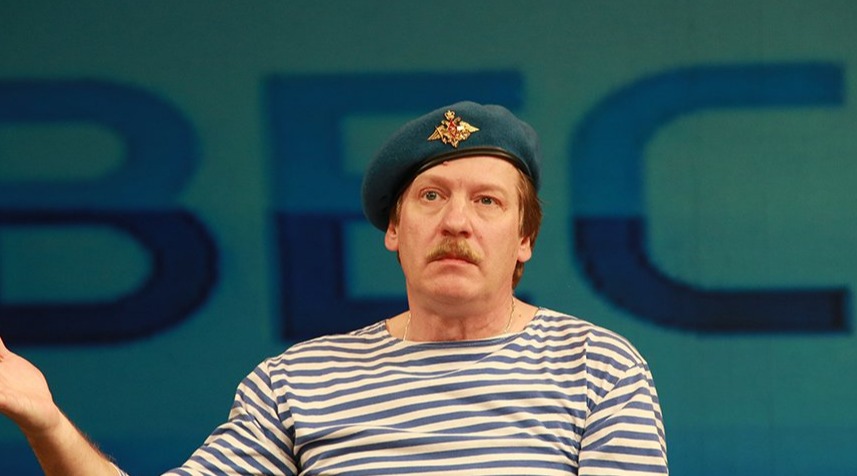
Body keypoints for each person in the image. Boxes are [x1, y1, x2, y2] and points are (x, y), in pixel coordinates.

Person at [0, 101, 668, 475]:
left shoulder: (598, 367)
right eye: (431, 196)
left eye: (487, 201)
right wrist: (48, 423)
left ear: (524, 238)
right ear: (394, 230)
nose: (456, 222)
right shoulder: (296, 381)